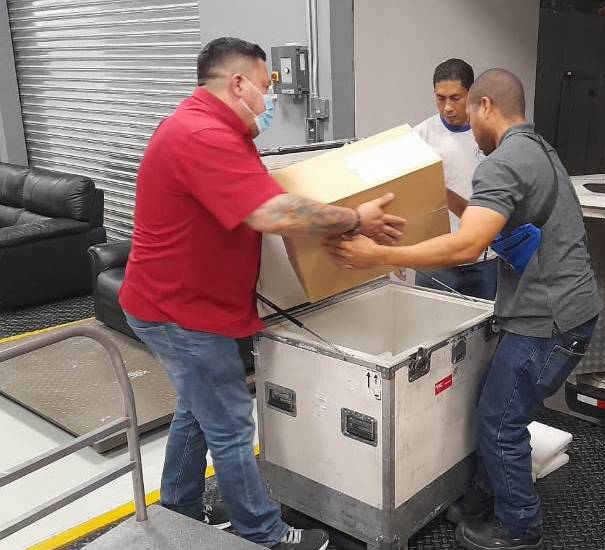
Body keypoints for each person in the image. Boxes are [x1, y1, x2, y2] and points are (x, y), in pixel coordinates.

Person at [119, 37, 405, 550]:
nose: (270, 98)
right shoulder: (202, 135)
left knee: (197, 410)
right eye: (265, 86)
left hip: (185, 303)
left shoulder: (216, 130)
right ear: (238, 84)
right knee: (230, 422)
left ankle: (179, 510)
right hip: (179, 312)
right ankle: (266, 533)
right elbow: (273, 212)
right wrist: (354, 219)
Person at [327, 68, 600, 550]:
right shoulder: (538, 149)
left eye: (468, 112)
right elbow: (476, 215)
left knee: (501, 420)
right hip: (563, 309)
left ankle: (519, 526)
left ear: (485, 106)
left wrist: (379, 255)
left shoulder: (503, 162)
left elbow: (469, 245)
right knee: (494, 406)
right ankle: (487, 492)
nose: (467, 128)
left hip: (549, 319)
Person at [412, 58, 497, 300]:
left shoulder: (491, 135)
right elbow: (407, 194)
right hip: (437, 257)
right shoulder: (421, 136)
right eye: (440, 98)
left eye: (455, 98)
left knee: (485, 322)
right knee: (432, 320)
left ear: (471, 94)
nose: (447, 107)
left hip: (484, 258)